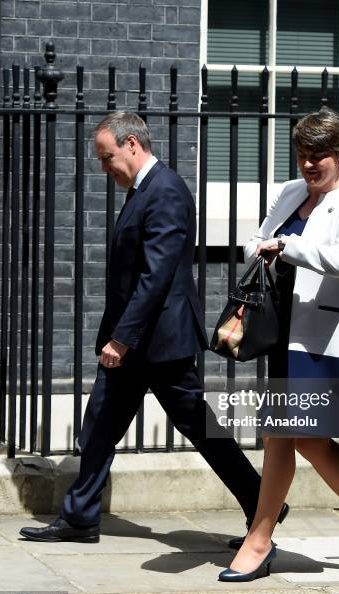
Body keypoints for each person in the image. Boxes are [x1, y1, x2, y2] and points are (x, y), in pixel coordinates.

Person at [19, 112, 289, 544]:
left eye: (107, 157)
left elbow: (156, 275)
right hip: (138, 340)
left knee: (199, 427)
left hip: (159, 341)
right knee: (101, 424)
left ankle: (263, 503)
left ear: (131, 144)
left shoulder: (165, 191)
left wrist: (121, 339)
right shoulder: (146, 189)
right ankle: (80, 517)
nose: (104, 167)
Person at [218, 108, 339, 582]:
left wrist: (286, 246)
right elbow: (254, 242)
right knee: (287, 434)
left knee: (297, 435)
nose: (309, 166)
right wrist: (266, 245)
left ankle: (262, 540)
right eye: (303, 155)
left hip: (324, 337)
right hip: (282, 332)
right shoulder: (290, 192)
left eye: (319, 157)